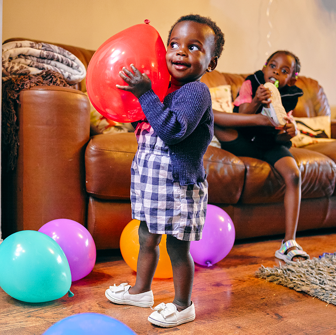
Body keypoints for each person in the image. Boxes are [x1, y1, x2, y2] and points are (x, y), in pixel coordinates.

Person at [104, 14, 225, 327]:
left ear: (211, 62)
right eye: (174, 44)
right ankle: (140, 291)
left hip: (178, 185)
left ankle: (183, 305)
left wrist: (145, 93)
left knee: (176, 245)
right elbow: (146, 123)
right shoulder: (159, 88)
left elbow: (172, 130)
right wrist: (133, 99)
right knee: (146, 236)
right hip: (150, 181)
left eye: (194, 47)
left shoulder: (195, 93)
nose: (180, 51)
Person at [213, 50, 310, 263]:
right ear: (265, 66)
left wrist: (291, 129)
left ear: (292, 78)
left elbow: (286, 125)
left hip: (270, 144)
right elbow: (241, 116)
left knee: (294, 175)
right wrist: (257, 100)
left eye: (284, 71)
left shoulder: (291, 95)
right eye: (273, 66)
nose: (276, 72)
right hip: (244, 140)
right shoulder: (251, 83)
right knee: (215, 122)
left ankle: (289, 242)